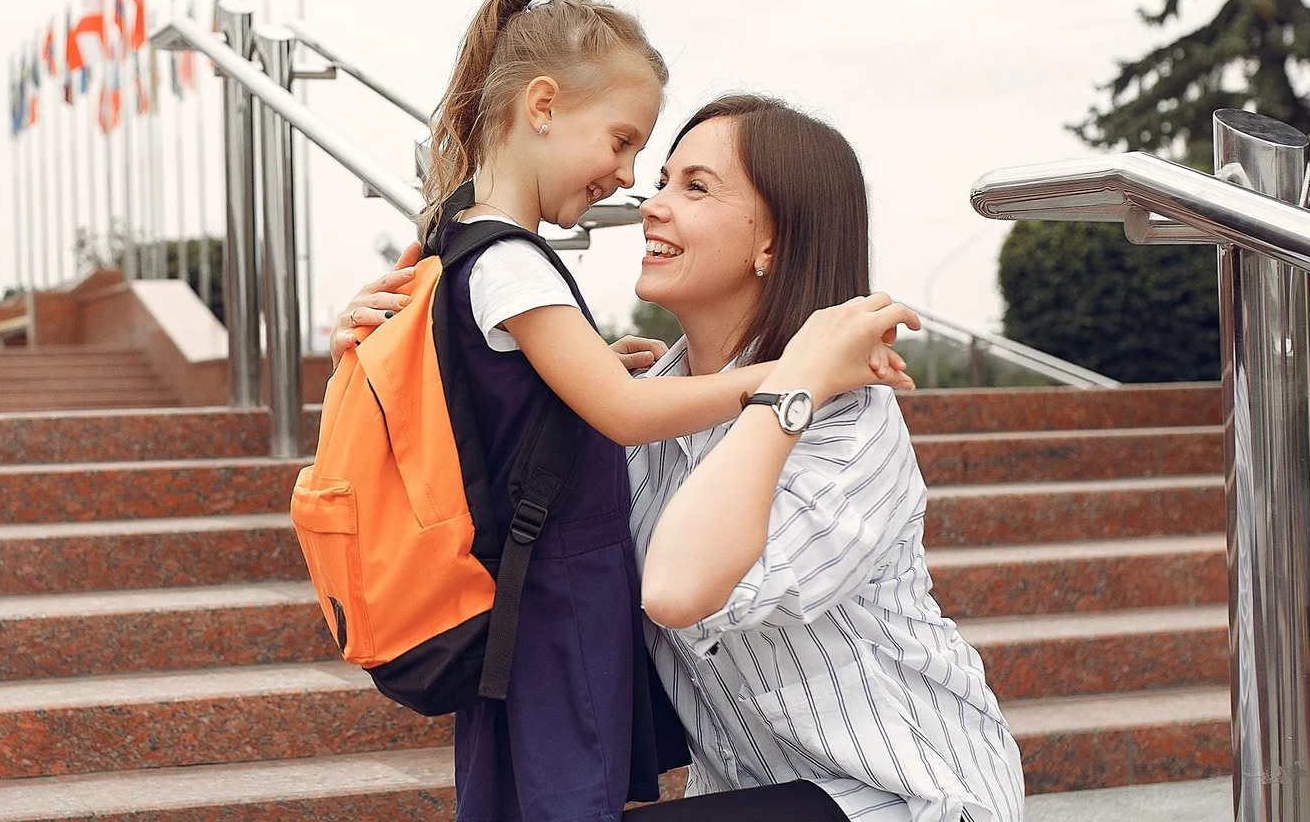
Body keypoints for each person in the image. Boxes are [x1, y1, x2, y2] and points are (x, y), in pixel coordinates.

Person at [337, 93, 1021, 822]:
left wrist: (791, 384)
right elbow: (476, 494)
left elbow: (676, 589)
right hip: (749, 794)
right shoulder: (642, 407)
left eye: (695, 187)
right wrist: (383, 352)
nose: (652, 206)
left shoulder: (845, 419)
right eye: (662, 181)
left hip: (912, 796)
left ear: (773, 242)